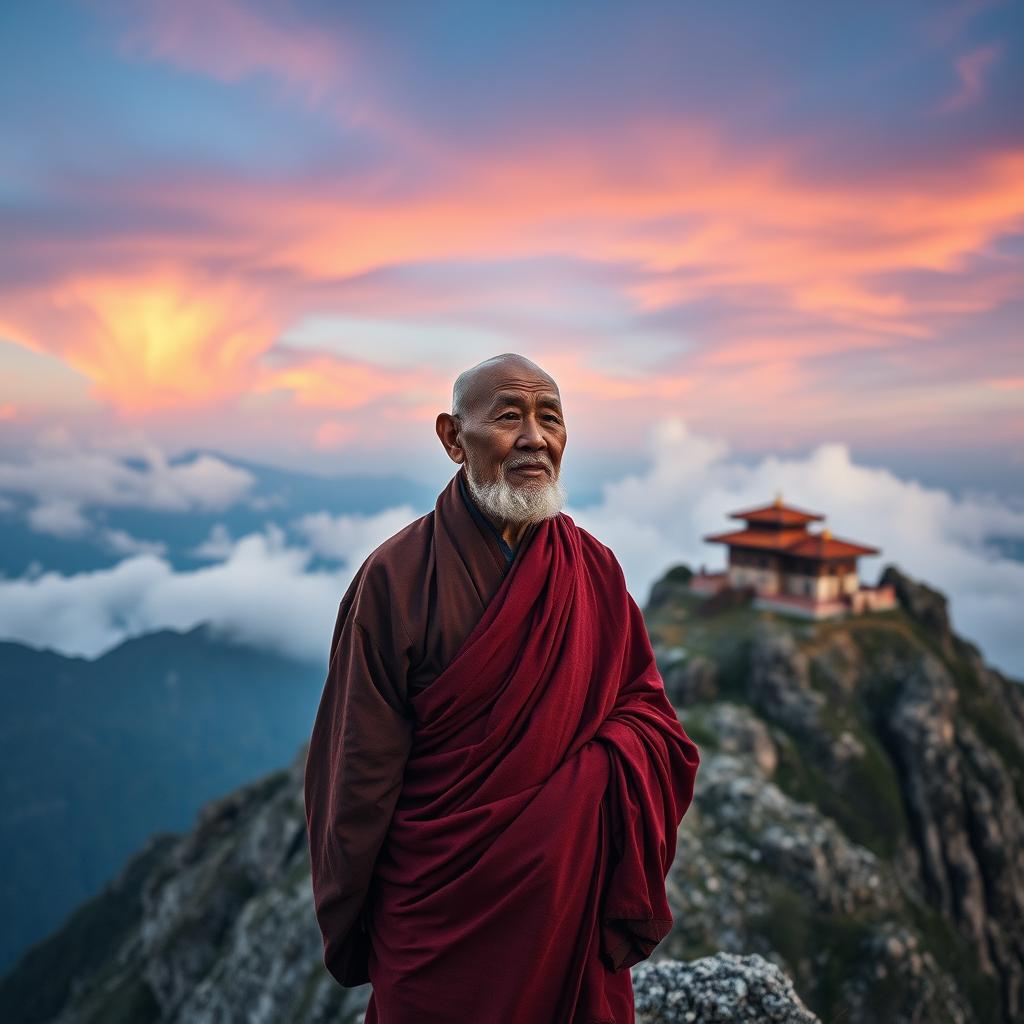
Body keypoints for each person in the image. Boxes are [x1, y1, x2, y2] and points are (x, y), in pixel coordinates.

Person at [303, 352, 700, 1023]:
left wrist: (593, 784)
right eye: (509, 416)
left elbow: (652, 720)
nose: (535, 438)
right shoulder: (396, 582)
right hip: (436, 916)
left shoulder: (594, 571)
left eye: (551, 419)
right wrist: (352, 916)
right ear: (453, 438)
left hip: (566, 908)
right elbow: (355, 772)